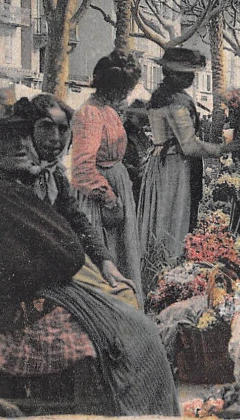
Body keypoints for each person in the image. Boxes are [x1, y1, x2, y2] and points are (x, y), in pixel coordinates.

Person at [0, 88, 179, 416]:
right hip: (7, 316)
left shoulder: (26, 179)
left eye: (18, 133)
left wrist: (105, 262)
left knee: (131, 316)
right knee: (125, 335)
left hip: (44, 288)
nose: (17, 143)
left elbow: (73, 225)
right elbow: (32, 262)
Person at [138, 47, 240, 294]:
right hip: (175, 168)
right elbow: (189, 145)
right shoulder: (176, 102)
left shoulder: (158, 96)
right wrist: (223, 148)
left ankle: (158, 276)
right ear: (170, 73)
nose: (190, 78)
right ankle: (169, 279)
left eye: (191, 73)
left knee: (161, 218)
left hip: (161, 165)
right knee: (174, 219)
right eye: (185, 74)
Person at [30, 93, 138, 308]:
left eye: (62, 129)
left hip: (63, 266)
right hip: (40, 276)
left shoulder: (56, 175)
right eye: (46, 128)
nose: (55, 138)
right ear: (28, 131)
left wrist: (105, 262)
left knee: (125, 295)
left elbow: (78, 221)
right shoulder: (22, 177)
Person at [71, 50, 143, 301]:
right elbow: (81, 167)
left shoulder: (108, 110)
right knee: (108, 259)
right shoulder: (89, 113)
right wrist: (109, 197)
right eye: (124, 88)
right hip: (99, 197)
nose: (126, 94)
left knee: (124, 257)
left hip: (117, 182)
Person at [121, 99, 151, 206]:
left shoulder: (141, 134)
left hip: (143, 181)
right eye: (141, 118)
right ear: (130, 116)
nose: (144, 122)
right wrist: (136, 172)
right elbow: (122, 161)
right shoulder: (124, 134)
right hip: (131, 183)